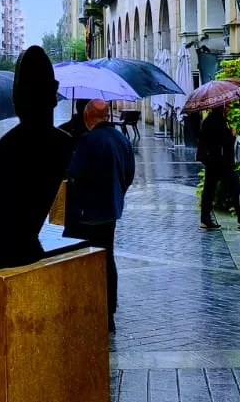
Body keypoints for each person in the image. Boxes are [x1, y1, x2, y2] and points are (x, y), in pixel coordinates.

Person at [0, 46, 74, 272]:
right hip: (29, 251)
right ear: (53, 94)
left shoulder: (5, 151)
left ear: (18, 97)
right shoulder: (65, 144)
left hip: (1, 258)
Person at [64, 99, 135, 332]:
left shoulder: (86, 141)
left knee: (81, 259)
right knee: (107, 258)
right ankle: (109, 310)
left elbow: (73, 174)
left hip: (84, 212)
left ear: (87, 117)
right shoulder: (122, 140)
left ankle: (84, 306)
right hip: (110, 211)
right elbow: (129, 174)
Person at [196, 105, 240, 231]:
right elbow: (224, 142)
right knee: (236, 189)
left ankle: (205, 219)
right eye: (227, 106)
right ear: (222, 107)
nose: (229, 108)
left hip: (211, 161)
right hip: (222, 162)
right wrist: (232, 134)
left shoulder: (208, 121)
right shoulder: (219, 121)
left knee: (209, 190)